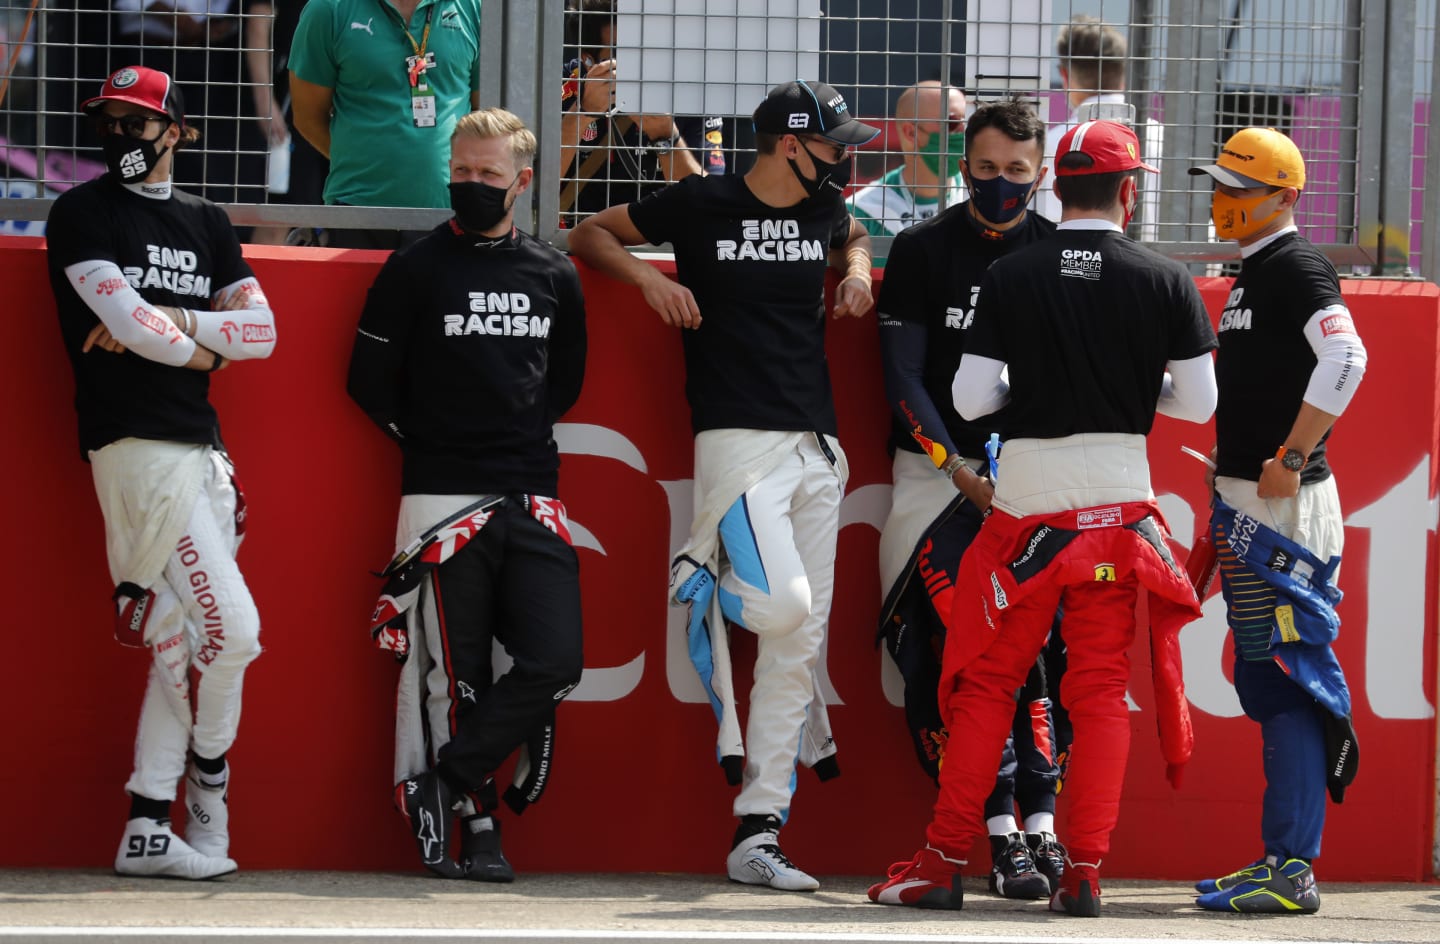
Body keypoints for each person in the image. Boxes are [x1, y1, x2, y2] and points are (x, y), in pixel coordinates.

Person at [868, 119, 1217, 915]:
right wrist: (1133, 389)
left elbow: (966, 400)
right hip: (1121, 512)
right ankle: (1086, 872)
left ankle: (946, 857)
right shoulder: (1166, 279)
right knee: (1096, 694)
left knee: (987, 682)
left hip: (1026, 512)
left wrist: (1032, 390)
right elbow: (1197, 403)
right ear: (1132, 192)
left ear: (1055, 186)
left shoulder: (1016, 273)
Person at [568, 79, 877, 892]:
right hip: (736, 439)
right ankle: (697, 575)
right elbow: (588, 231)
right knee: (784, 608)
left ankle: (758, 829)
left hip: (818, 444)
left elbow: (853, 236)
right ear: (790, 145)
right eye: (834, 143)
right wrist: (650, 281)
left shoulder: (827, 206)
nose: (844, 156)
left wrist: (854, 273)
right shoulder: (700, 202)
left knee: (794, 645)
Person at [45, 65, 278, 879]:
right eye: (106, 121)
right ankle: (211, 779)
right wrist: (206, 346)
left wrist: (177, 324)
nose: (118, 137)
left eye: (135, 123)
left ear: (175, 130)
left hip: (204, 450)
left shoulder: (207, 220)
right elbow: (119, 320)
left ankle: (149, 823)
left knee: (180, 641)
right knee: (235, 634)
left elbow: (267, 335)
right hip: (135, 449)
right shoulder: (82, 212)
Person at [347, 108, 588, 881]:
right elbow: (366, 384)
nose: (472, 185)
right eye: (462, 171)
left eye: (489, 174)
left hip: (532, 492)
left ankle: (438, 784)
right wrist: (437, 446)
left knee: (556, 660)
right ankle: (478, 831)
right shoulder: (414, 267)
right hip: (442, 498)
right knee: (461, 672)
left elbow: (564, 387)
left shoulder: (555, 273)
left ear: (522, 181)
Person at [872, 97, 1066, 903]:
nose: (1000, 186)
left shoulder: (1060, 252)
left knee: (1033, 657)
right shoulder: (921, 248)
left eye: (1017, 172)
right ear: (962, 166)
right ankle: (992, 834)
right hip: (935, 478)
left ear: (1042, 172)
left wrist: (1013, 475)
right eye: (985, 170)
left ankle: (1042, 826)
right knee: (942, 659)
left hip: (1025, 482)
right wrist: (954, 465)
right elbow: (902, 375)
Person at [1187, 128, 1367, 915]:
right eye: (1219, 185)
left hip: (1285, 507)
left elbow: (1349, 360)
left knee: (1290, 683)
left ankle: (1293, 868)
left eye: (1239, 188)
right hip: (1252, 499)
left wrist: (1291, 458)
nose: (1223, 200)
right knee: (1265, 678)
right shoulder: (1255, 271)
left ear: (1286, 198)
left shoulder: (1295, 266)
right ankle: (1277, 859)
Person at [289, 0, 481, 249]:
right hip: (357, 213)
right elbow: (308, 117)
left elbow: (485, 114)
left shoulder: (472, 6)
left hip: (453, 213)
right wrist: (368, 164)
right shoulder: (328, 8)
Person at [559, 0, 710, 227]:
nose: (643, 64)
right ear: (588, 60)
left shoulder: (690, 90)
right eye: (625, 52)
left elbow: (712, 200)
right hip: (576, 236)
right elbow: (528, 185)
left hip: (666, 238)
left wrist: (667, 137)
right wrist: (583, 113)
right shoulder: (564, 85)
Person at [111, 0, 271, 209]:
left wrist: (215, 26)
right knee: (145, 140)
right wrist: (181, 21)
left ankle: (192, 210)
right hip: (149, 52)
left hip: (205, 54)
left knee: (199, 150)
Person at [1037, 17, 1164, 242]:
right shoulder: (1165, 138)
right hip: (1164, 269)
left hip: (1063, 269)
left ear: (1065, 76)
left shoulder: (1049, 143)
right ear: (1125, 74)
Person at [847, 80, 969, 264]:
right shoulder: (862, 212)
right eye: (951, 122)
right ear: (911, 133)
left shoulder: (978, 196)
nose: (963, 131)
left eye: (966, 121)